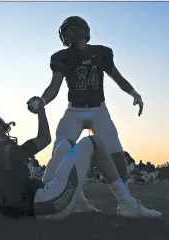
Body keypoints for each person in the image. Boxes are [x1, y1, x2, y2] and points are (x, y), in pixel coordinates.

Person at [0, 98, 161, 220]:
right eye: (1, 131)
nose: (5, 136)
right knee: (92, 142)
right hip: (44, 205)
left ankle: (81, 204)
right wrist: (41, 110)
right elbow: (44, 139)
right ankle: (127, 204)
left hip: (31, 205)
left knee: (66, 144)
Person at [27, 16, 144, 212]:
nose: (64, 36)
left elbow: (117, 77)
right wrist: (42, 100)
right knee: (60, 154)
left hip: (99, 110)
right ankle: (75, 200)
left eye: (68, 30)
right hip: (74, 110)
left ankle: (125, 204)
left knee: (117, 157)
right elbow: (54, 87)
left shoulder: (102, 53)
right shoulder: (61, 57)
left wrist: (134, 93)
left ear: (80, 31)